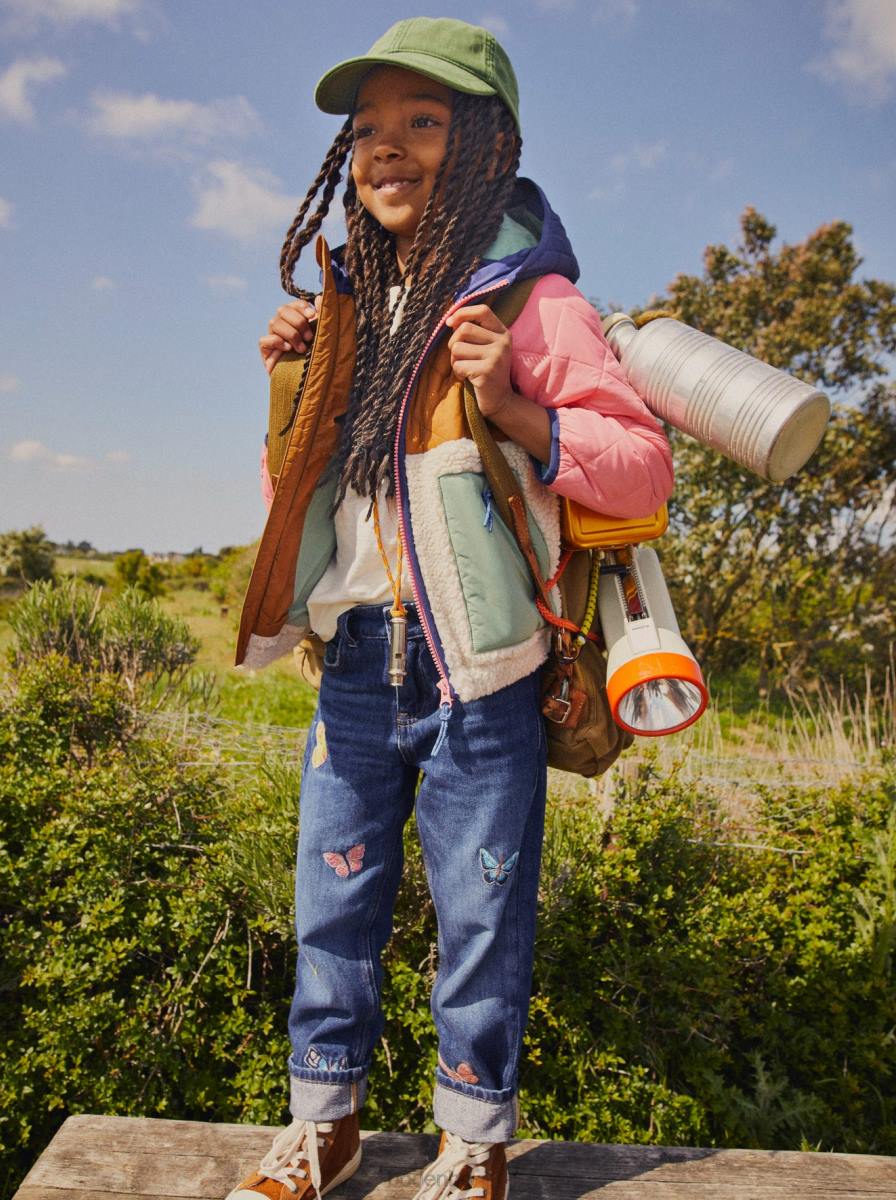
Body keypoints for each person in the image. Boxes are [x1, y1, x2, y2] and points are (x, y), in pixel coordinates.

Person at [227, 17, 673, 1200]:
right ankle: (323, 1128)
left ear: (484, 140)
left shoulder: (534, 304)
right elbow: (306, 500)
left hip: (485, 668)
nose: (387, 150)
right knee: (333, 901)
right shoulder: (348, 302)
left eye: (421, 123)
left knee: (481, 918)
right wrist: (293, 382)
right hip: (359, 656)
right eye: (367, 131)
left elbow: (643, 468)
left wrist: (522, 412)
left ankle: (471, 1143)